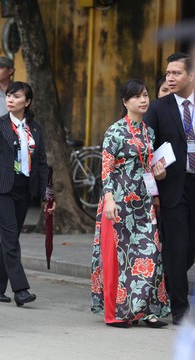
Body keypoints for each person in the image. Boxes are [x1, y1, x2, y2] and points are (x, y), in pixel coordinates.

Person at [91, 79, 170, 328]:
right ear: (125, 102)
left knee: (149, 253)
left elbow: (151, 169)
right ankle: (116, 313)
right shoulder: (114, 132)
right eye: (137, 97)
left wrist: (159, 174)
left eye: (145, 95)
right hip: (119, 203)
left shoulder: (149, 132)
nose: (143, 100)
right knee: (119, 258)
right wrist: (109, 200)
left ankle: (145, 311)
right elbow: (106, 169)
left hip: (143, 203)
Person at [0, 81, 53, 306]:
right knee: (11, 237)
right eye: (8, 96)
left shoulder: (34, 128)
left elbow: (42, 162)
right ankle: (21, 289)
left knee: (9, 238)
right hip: (1, 188)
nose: (10, 99)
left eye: (16, 96)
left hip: (25, 188)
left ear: (28, 101)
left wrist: (46, 194)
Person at [145, 52, 195, 325]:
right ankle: (179, 308)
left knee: (190, 247)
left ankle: (165, 280)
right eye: (168, 74)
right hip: (173, 185)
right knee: (176, 245)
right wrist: (154, 173)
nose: (171, 78)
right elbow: (146, 147)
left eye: (176, 73)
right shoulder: (158, 107)